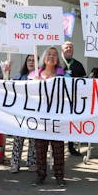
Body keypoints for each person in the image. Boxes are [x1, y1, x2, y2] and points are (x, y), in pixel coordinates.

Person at [34, 47, 67, 187]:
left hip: (57, 118)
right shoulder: (34, 75)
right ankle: (40, 175)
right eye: (49, 54)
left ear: (58, 59)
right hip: (40, 119)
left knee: (58, 149)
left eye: (54, 55)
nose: (51, 57)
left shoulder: (64, 76)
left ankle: (59, 176)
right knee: (40, 149)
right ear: (43, 57)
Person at [10, 55, 37, 173]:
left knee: (33, 140)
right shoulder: (19, 77)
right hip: (20, 113)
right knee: (18, 139)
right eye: (29, 60)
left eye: (33, 60)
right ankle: (15, 163)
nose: (31, 62)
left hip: (34, 113)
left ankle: (31, 162)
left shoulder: (41, 77)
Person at [61, 41, 86, 156]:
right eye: (67, 47)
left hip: (74, 100)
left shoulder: (78, 65)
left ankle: (71, 147)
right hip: (59, 100)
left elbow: (85, 82)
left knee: (71, 124)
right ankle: (58, 147)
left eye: (71, 47)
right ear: (62, 49)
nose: (69, 49)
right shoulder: (57, 64)